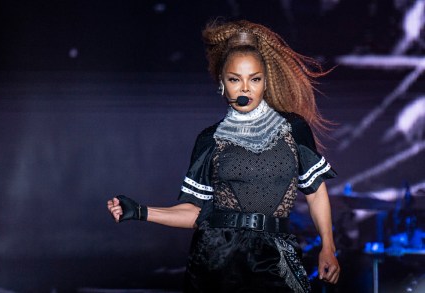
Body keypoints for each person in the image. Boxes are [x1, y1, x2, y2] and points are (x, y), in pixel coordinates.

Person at [107, 19, 340, 292]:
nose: (245, 89)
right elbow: (196, 212)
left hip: (274, 253)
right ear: (222, 84)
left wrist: (328, 246)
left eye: (254, 79)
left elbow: (315, 192)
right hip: (216, 258)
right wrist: (140, 211)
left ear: (265, 82)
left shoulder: (294, 128)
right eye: (234, 79)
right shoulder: (209, 140)